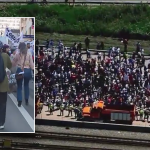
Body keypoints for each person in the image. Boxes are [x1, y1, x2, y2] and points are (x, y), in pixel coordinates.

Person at [12, 42, 34, 107]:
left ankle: (19, 101)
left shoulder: (18, 54)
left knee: (19, 86)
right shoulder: (29, 53)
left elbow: (14, 62)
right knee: (26, 85)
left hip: (20, 70)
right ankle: (26, 100)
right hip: (27, 70)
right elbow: (31, 63)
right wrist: (33, 70)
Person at [0, 41, 12, 129]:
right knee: (3, 104)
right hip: (3, 83)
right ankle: (1, 123)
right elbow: (10, 66)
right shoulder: (5, 55)